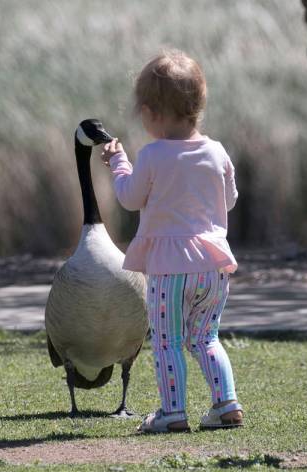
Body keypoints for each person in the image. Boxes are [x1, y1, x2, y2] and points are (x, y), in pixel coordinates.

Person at [101, 50, 243, 433]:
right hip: (213, 267)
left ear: (152, 113)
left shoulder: (151, 156)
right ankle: (225, 403)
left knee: (168, 341)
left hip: (170, 270)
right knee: (205, 337)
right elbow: (228, 200)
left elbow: (130, 197)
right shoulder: (217, 152)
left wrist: (119, 164)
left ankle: (172, 412)